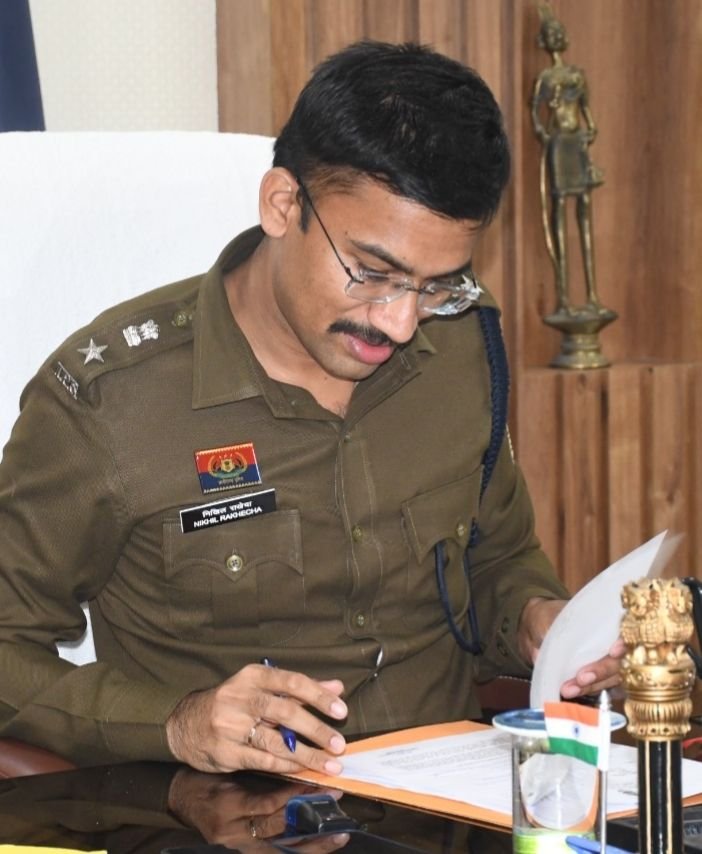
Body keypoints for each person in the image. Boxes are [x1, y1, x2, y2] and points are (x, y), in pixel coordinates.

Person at [0, 40, 622, 778]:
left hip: (460, 804)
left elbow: (498, 556)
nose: (400, 322)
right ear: (283, 204)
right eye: (373, 272)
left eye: (437, 284)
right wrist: (175, 721)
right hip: (222, 815)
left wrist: (535, 622)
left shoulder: (462, 341)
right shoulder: (112, 402)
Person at [531, 5, 608, 316]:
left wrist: (591, 128)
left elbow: (586, 109)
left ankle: (592, 294)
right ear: (544, 41)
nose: (555, 37)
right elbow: (535, 112)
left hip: (577, 144)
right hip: (559, 146)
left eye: (557, 32)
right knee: (560, 210)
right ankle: (564, 296)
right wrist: (542, 131)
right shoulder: (546, 78)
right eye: (550, 33)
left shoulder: (576, 75)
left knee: (584, 210)